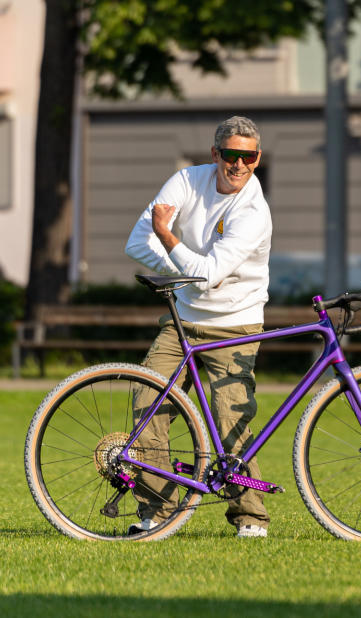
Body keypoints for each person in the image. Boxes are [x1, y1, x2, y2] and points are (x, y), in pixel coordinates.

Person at [124, 115, 273, 538]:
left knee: (232, 417)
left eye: (249, 156)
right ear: (215, 154)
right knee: (147, 403)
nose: (239, 164)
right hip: (184, 321)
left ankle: (250, 517)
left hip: (236, 323)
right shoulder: (187, 182)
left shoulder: (254, 212)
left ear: (258, 158)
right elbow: (137, 242)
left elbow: (208, 275)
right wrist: (188, 267)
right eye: (231, 155)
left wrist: (168, 238)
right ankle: (157, 511)